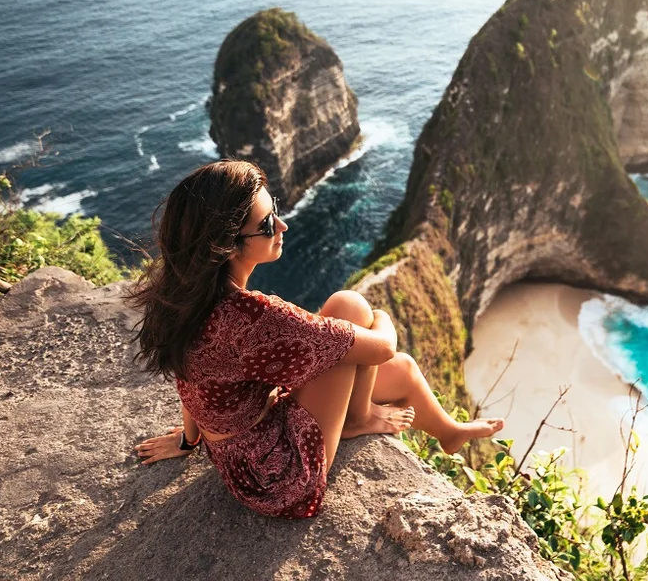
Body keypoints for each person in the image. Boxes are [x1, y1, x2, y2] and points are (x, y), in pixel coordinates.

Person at [129, 160, 503, 518]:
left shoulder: (181, 296)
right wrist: (383, 317)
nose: (283, 226)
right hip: (278, 478)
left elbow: (192, 379)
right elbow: (382, 346)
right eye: (266, 225)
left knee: (401, 368)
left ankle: (449, 432)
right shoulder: (253, 318)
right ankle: (359, 420)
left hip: (237, 455)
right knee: (352, 306)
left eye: (273, 210)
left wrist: (189, 440)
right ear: (226, 245)